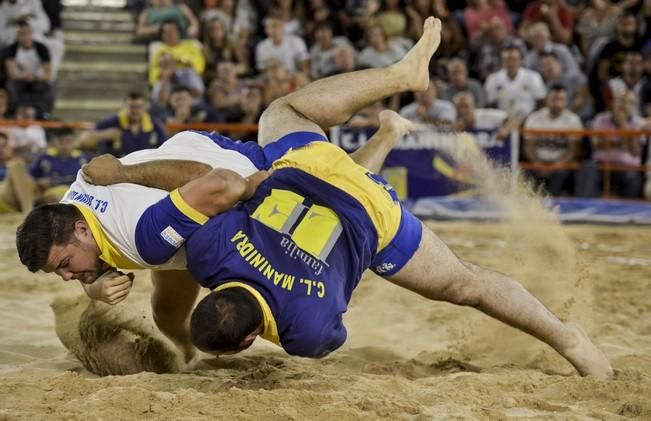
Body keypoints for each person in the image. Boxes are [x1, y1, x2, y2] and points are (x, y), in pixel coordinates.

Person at [78, 18, 611, 380]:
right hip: (315, 172)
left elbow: (334, 308)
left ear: (248, 342)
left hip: (375, 223)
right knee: (281, 112)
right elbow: (205, 196)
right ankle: (397, 84)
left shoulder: (305, 334)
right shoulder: (210, 252)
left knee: (467, 285)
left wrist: (96, 278)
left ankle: (571, 343)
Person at [15, 17, 445, 362]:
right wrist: (93, 284)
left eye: (66, 266)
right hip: (185, 183)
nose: (67, 275)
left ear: (80, 233)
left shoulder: (143, 236)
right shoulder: (69, 211)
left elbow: (205, 179)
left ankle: (399, 78)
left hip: (225, 172)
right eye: (61, 272)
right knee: (167, 311)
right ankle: (388, 131)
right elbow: (92, 249)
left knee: (327, 190)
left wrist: (251, 185)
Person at [522, 83, 585, 196]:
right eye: (554, 99)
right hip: (538, 161)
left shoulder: (573, 120)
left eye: (561, 99)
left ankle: (552, 203)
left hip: (561, 163)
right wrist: (537, 164)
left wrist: (556, 166)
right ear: (547, 99)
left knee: (561, 173)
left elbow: (574, 150)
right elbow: (528, 146)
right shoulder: (534, 118)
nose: (557, 103)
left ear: (566, 101)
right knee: (525, 171)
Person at [78, 92, 168, 157]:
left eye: (139, 107)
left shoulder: (154, 125)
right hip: (116, 168)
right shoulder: (113, 121)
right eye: (132, 107)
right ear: (124, 107)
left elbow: (166, 147)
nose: (135, 111)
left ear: (144, 108)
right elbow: (83, 141)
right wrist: (104, 134)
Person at [0, 131, 34, 215]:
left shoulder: (18, 165)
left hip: (15, 198)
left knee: (17, 165)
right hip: (2, 194)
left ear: (9, 148)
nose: (0, 150)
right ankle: (29, 213)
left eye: (3, 146)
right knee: (16, 165)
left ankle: (28, 211)